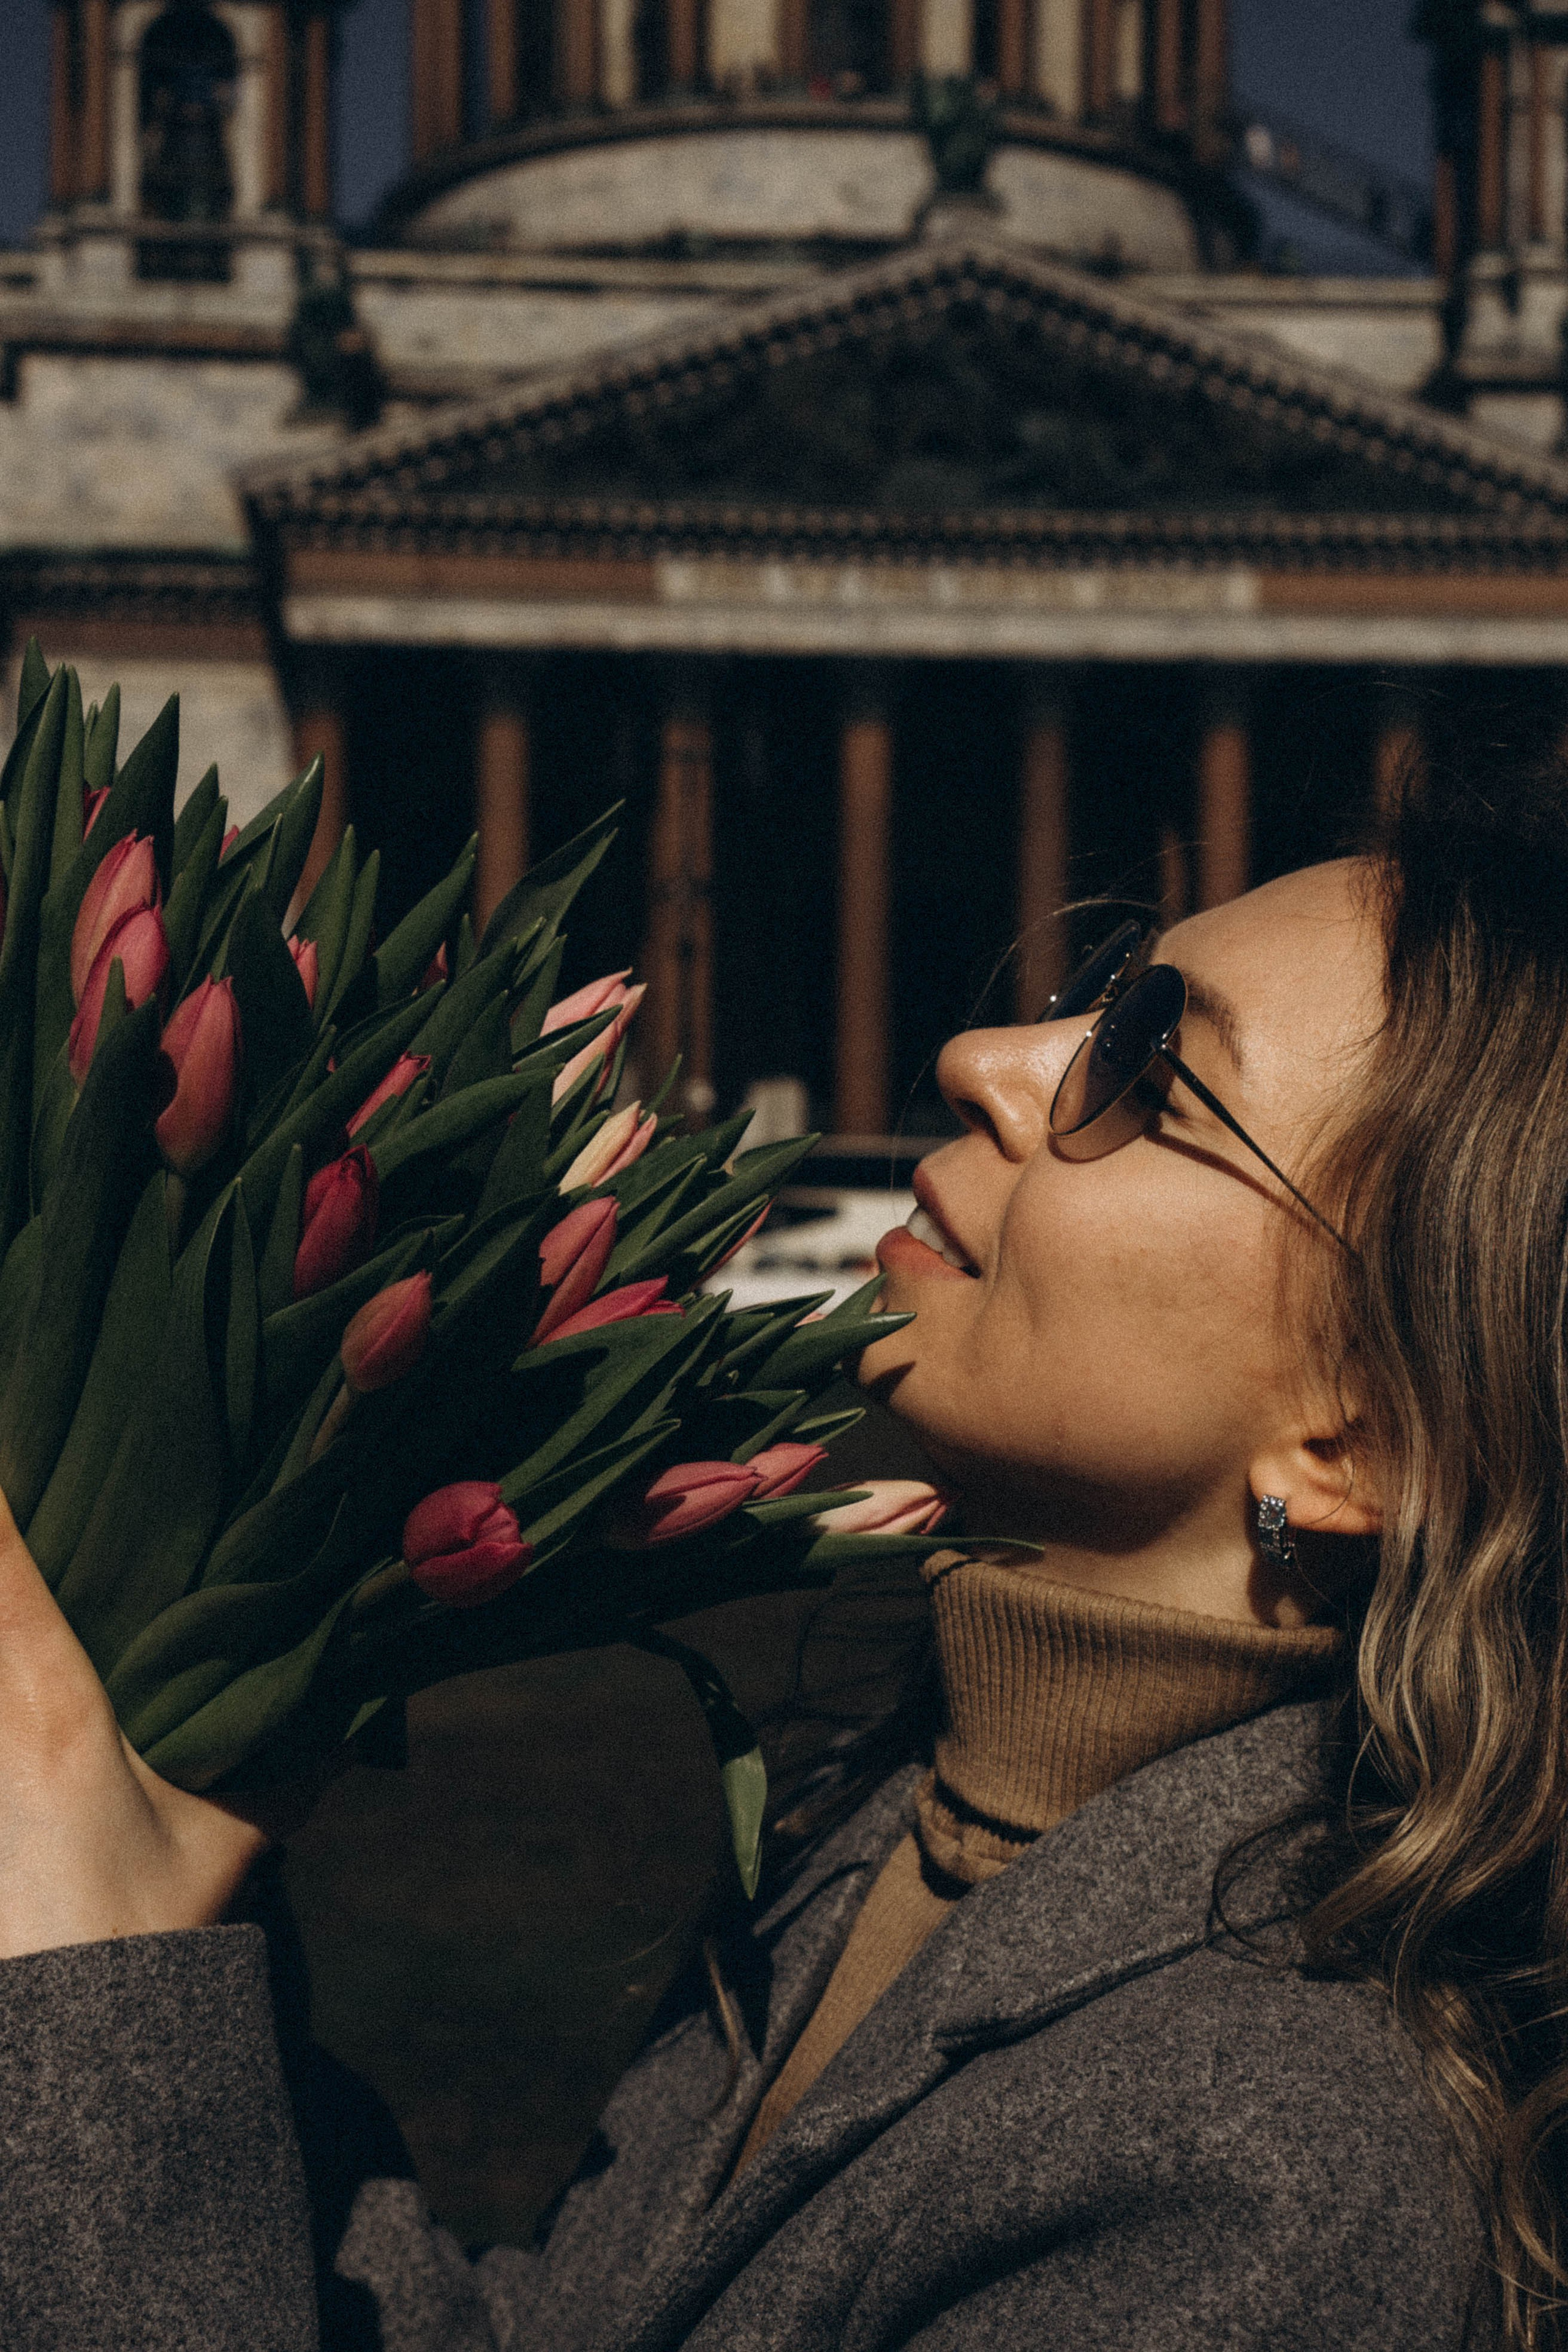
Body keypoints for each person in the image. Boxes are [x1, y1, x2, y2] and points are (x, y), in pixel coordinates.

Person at [1, 766, 1562, 2351]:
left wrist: (86, 1986)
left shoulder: (1266, 2173)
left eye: (1149, 1072)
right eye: (1099, 993)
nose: (980, 1060)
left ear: (1361, 1444)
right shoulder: (911, 1812)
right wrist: (147, 1930)